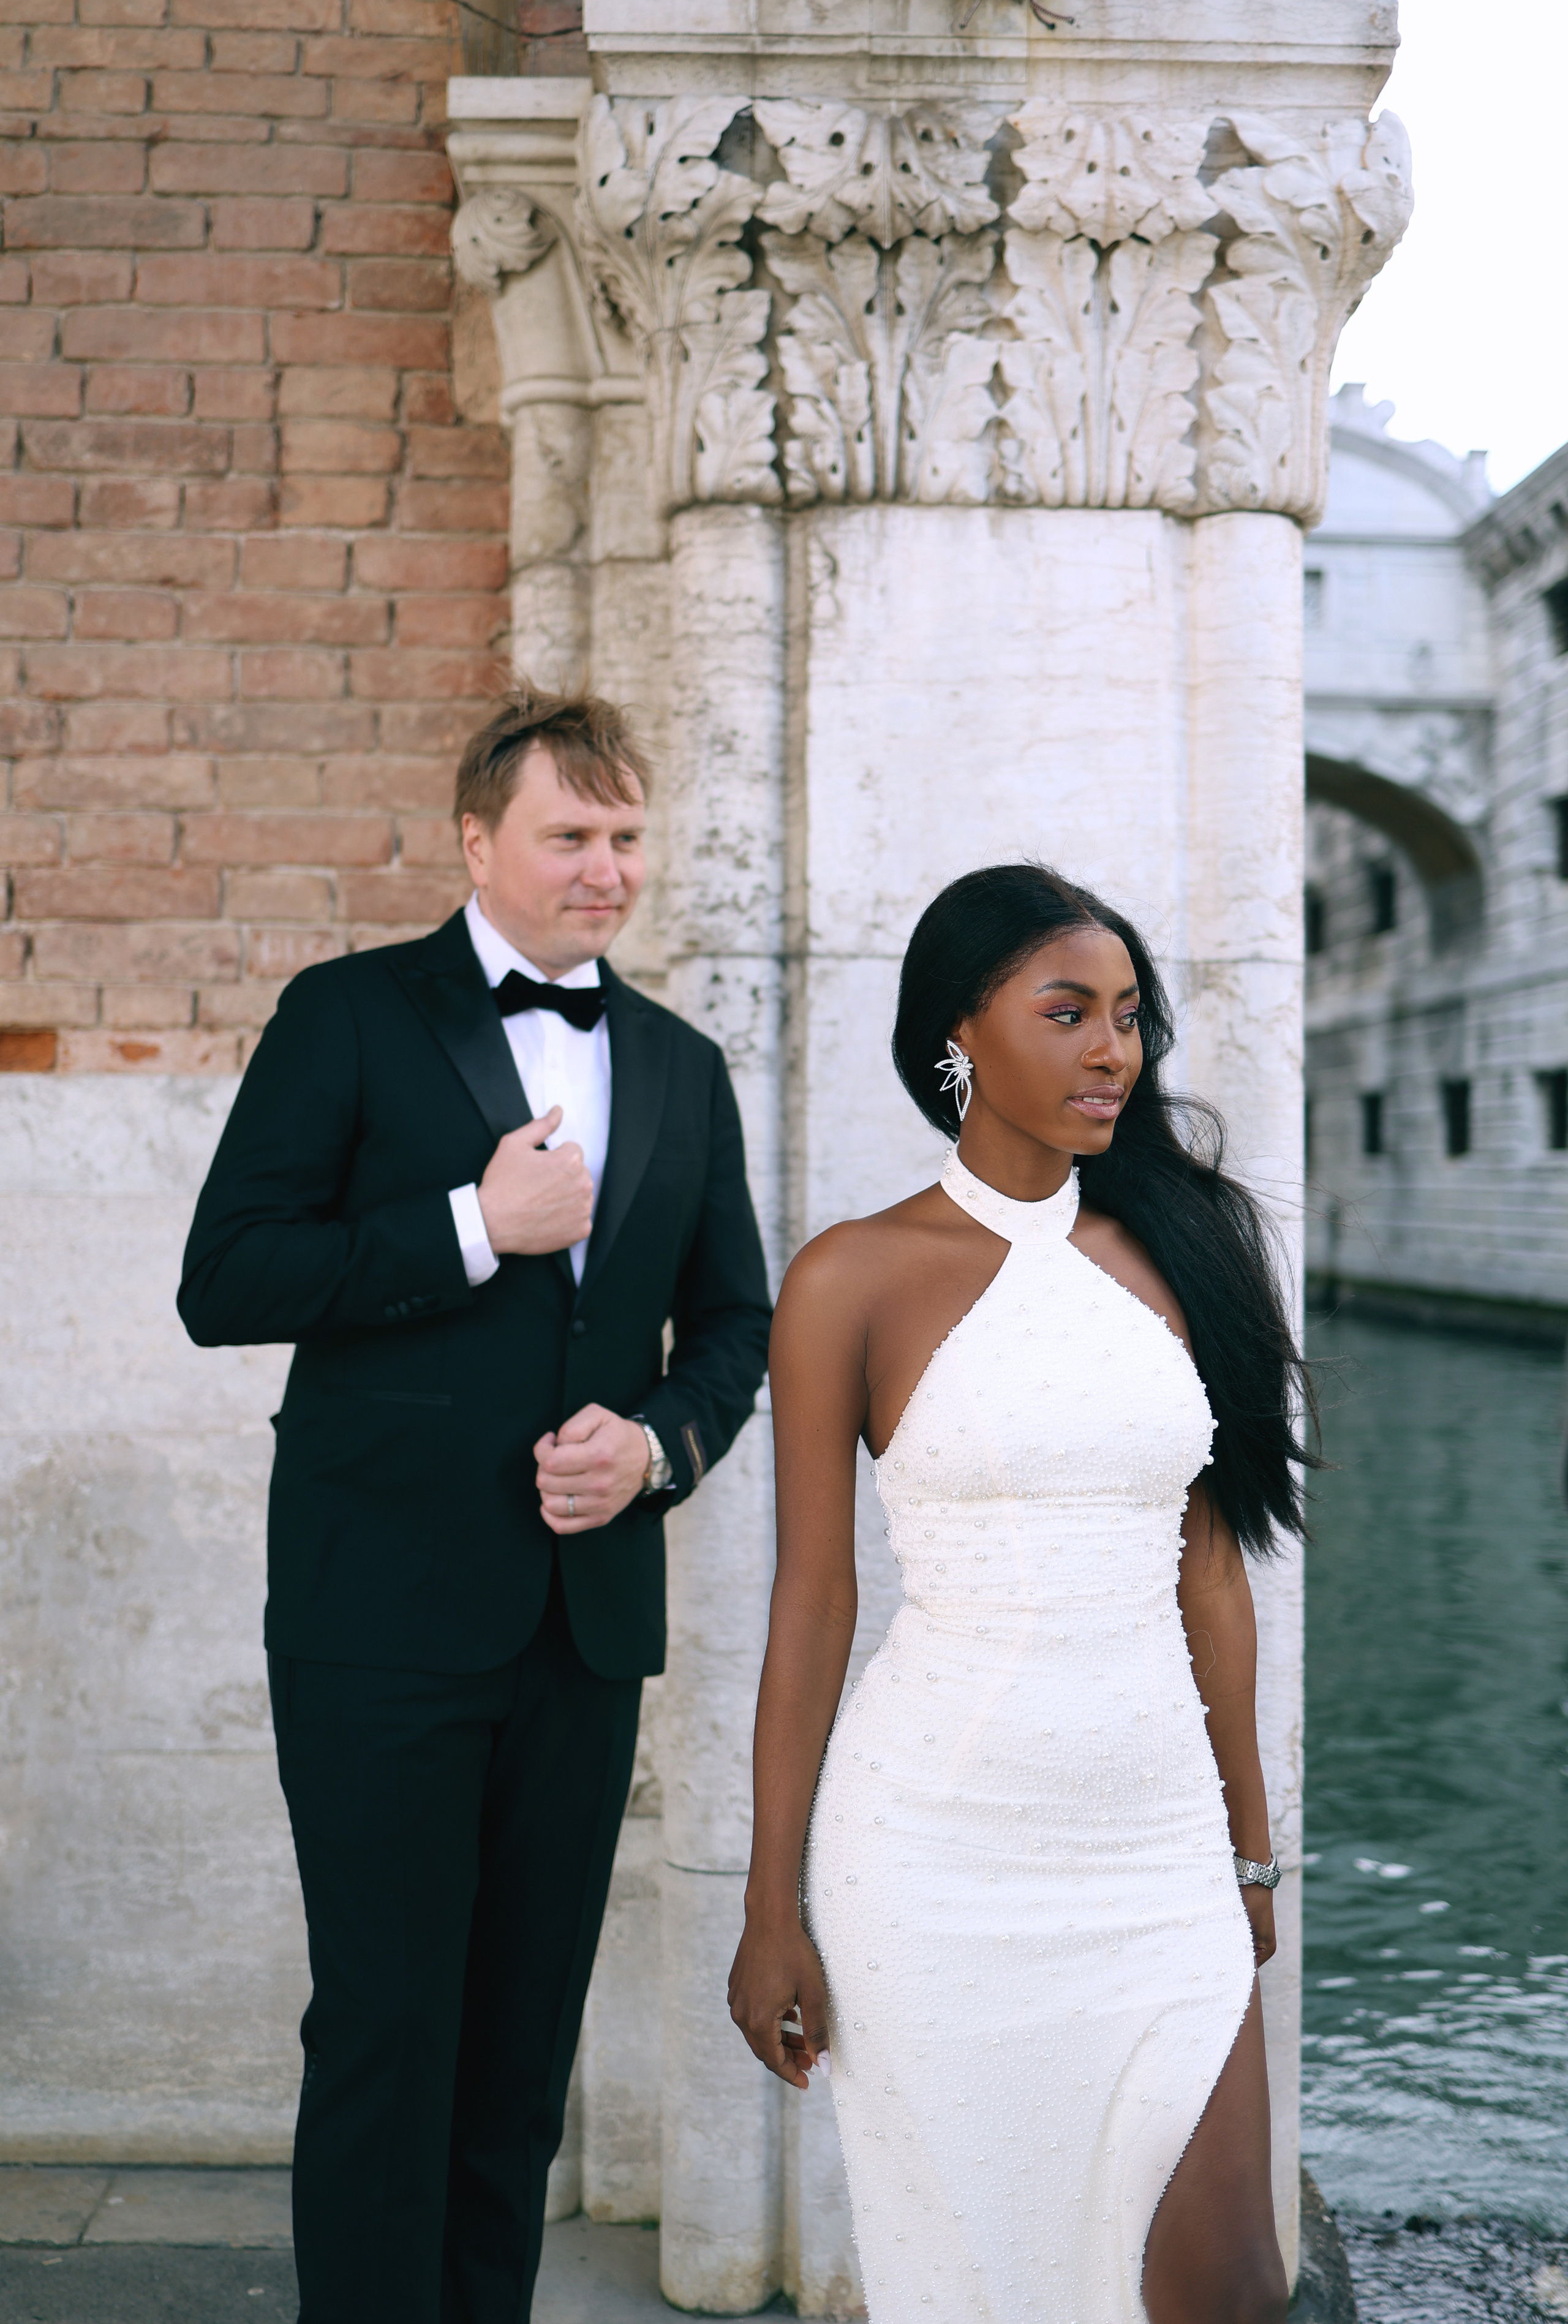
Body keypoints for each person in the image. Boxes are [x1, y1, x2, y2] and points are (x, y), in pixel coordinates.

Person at [179, 683, 771, 2324]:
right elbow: (226, 1279)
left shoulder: (681, 1066)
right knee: (387, 2030)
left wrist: (656, 1448)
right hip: (378, 1617)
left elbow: (735, 1325)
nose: (607, 869)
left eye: (627, 837)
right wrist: (469, 1225)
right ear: (476, 841)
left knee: (521, 2048)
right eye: (570, 835)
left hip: (583, 1627)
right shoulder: (347, 1015)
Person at [729, 862, 1314, 2324]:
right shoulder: (850, 1277)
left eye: (1126, 1015)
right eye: (1067, 1012)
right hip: (930, 1856)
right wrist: (767, 1904)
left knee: (1232, 2292)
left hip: (1155, 1853)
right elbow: (811, 1602)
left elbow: (1211, 1575)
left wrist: (1247, 1852)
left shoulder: (1187, 1251)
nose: (1112, 1049)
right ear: (960, 1033)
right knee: (983, 2279)